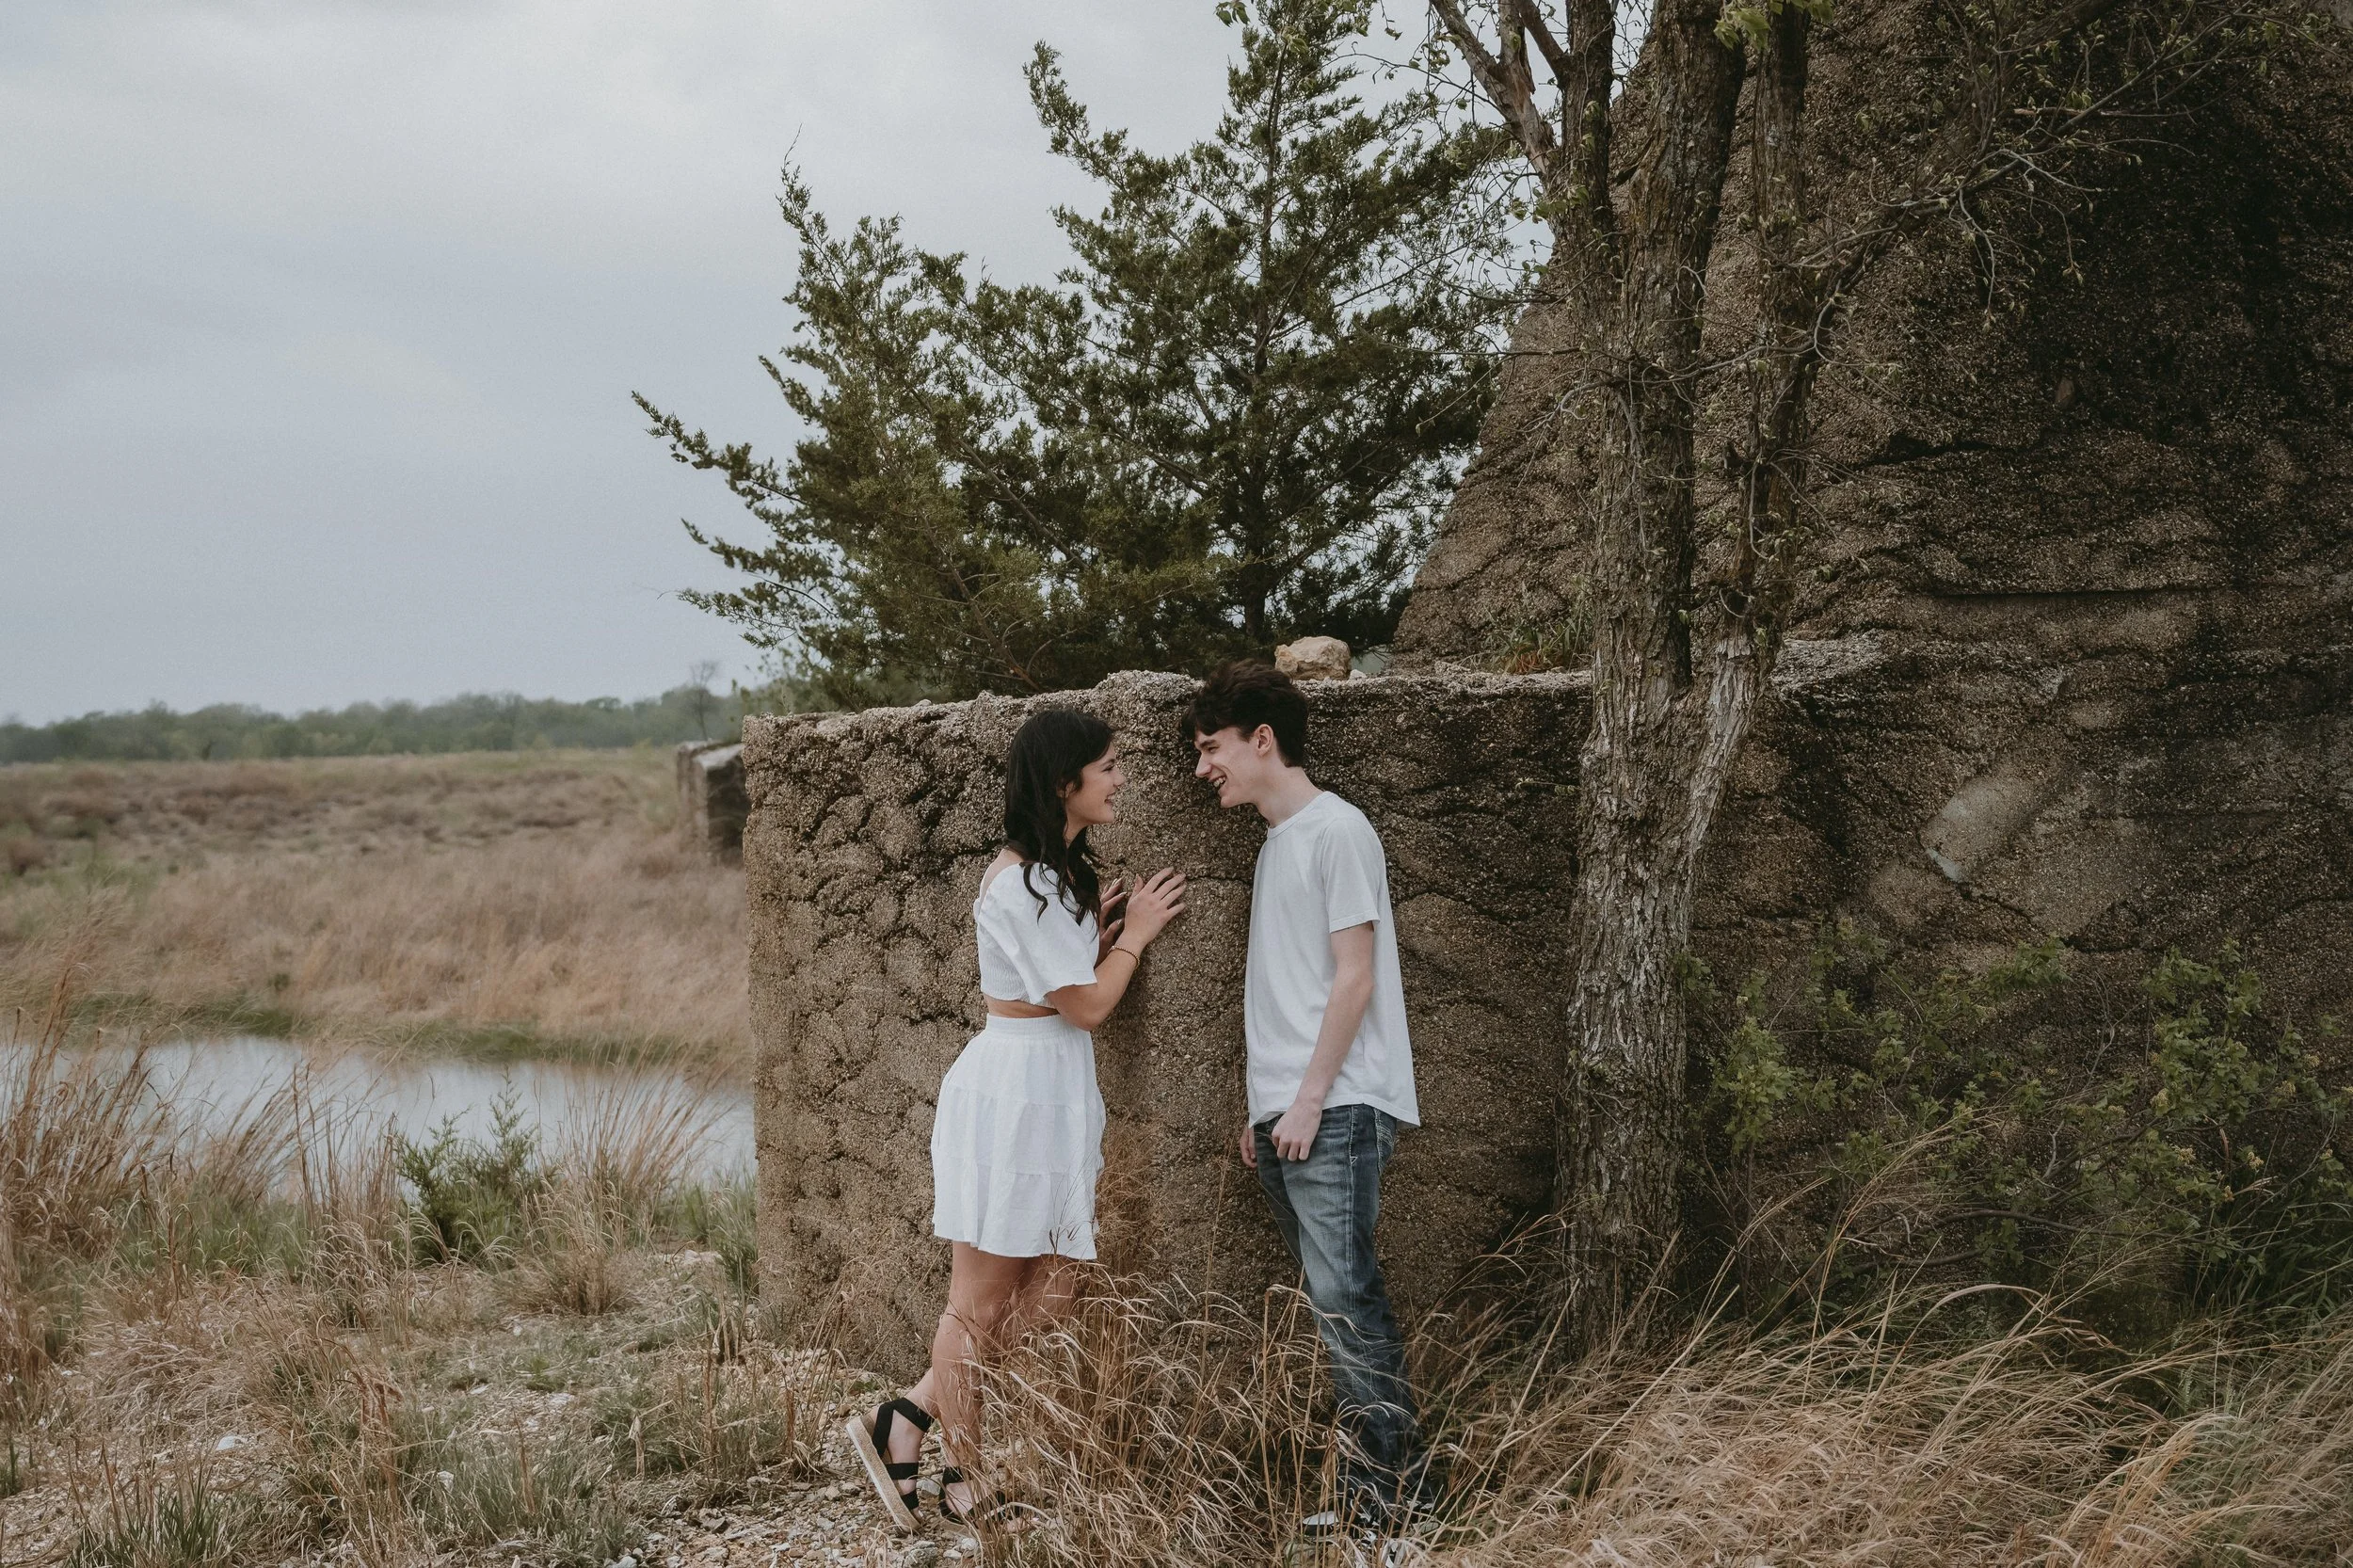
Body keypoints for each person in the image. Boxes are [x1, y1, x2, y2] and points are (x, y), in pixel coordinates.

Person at [845, 707, 1186, 1534]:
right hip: (1018, 1096)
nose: (1119, 780)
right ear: (1063, 781)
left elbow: (1059, 980)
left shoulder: (1049, 876)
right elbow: (1091, 1006)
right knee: (981, 1301)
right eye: (1107, 768)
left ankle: (909, 1415)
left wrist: (1093, 932)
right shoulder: (1027, 882)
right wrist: (1134, 936)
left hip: (1051, 1094)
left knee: (1058, 1287)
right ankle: (964, 1476)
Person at [1183, 660, 1426, 1536]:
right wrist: (1265, 1109)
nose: (1201, 766)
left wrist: (1310, 1101)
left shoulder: (1338, 831)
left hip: (1338, 1111)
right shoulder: (1277, 846)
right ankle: (1377, 1499)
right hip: (1290, 1119)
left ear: (1263, 738)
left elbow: (1353, 978)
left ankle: (1389, 1516)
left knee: (1349, 1305)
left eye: (1211, 748)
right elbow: (1288, 993)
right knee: (1335, 1310)